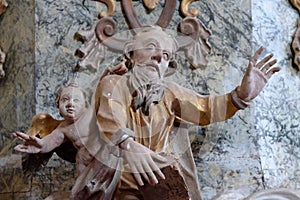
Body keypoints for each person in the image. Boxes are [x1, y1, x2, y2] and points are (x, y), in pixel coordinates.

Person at [94, 25, 281, 199]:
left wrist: (240, 96)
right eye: (151, 47)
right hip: (123, 178)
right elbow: (110, 118)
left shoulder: (170, 92)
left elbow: (206, 108)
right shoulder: (114, 84)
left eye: (166, 55)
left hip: (162, 178)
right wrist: (128, 145)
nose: (159, 57)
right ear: (131, 53)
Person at [13, 62, 128, 200]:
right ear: (58, 105)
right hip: (85, 167)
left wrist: (109, 73)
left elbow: (100, 89)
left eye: (76, 100)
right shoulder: (63, 128)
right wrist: (40, 146)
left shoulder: (90, 113)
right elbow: (51, 141)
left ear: (84, 103)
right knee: (77, 195)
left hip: (103, 159)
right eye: (65, 100)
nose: (70, 103)